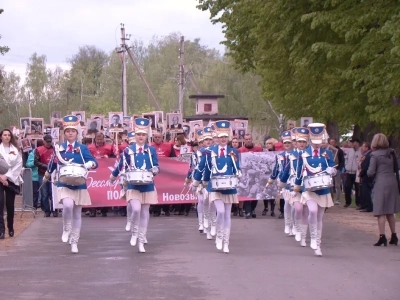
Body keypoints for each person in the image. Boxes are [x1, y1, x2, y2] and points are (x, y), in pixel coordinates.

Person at [46, 115, 98, 253]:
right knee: (68, 205)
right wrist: (47, 173)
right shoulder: (59, 147)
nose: (70, 133)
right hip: (64, 182)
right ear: (64, 133)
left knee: (77, 213)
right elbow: (53, 162)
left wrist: (90, 164)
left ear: (77, 133)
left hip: (79, 182)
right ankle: (66, 227)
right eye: (68, 131)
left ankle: (74, 241)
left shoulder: (82, 148)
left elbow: (94, 162)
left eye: (73, 131)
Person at [110, 118, 160, 253]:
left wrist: (155, 169)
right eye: (138, 134)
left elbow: (156, 164)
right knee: (136, 209)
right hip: (133, 184)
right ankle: (134, 231)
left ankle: (141, 239)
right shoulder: (128, 150)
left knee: (144, 212)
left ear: (146, 136)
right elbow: (121, 164)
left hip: (147, 184)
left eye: (143, 134)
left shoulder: (151, 150)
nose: (141, 137)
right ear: (135, 135)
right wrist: (113, 176)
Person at [192, 121, 241, 253]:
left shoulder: (233, 151)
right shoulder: (210, 151)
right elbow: (202, 167)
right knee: (220, 211)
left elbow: (237, 167)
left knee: (227, 215)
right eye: (221, 136)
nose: (223, 139)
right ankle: (219, 236)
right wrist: (197, 182)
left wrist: (238, 173)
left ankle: (226, 241)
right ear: (216, 138)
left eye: (225, 136)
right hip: (214, 186)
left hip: (229, 186)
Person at [292, 123, 336, 256]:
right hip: (309, 188)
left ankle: (317, 244)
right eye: (314, 142)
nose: (317, 144)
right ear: (310, 140)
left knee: (319, 218)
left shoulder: (327, 153)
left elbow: (334, 168)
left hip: (323, 189)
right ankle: (311, 237)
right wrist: (296, 188)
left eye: (319, 141)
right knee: (312, 210)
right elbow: (299, 172)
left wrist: (332, 170)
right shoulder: (304, 154)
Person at [367, 133, 400, 247]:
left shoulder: (374, 155)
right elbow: (396, 167)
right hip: (392, 181)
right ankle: (394, 235)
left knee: (380, 210)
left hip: (381, 182)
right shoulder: (391, 152)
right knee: (390, 210)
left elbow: (370, 172)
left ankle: (382, 236)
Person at [267, 130, 294, 235]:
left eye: (289, 143)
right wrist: (271, 179)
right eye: (285, 143)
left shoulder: (296, 155)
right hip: (284, 182)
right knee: (287, 203)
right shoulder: (280, 156)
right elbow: (276, 169)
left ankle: (294, 224)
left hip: (294, 182)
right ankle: (287, 224)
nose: (287, 145)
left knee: (295, 205)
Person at [0, 129, 23, 239]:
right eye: (5, 135)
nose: (7, 137)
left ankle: (10, 227)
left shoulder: (15, 150)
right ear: (1, 136)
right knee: (0, 204)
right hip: (0, 178)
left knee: (10, 204)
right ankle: (1, 230)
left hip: (11, 179)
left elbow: (18, 165)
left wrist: (7, 176)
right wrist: (1, 176)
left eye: (9, 135)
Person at [238, 134, 263, 218]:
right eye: (246, 139)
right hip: (245, 175)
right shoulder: (240, 150)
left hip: (256, 175)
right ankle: (248, 211)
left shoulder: (258, 149)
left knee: (255, 193)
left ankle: (252, 209)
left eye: (249, 139)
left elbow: (261, 160)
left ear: (252, 139)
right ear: (244, 140)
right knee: (246, 192)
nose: (248, 140)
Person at [34, 134, 57, 217]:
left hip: (53, 174)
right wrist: (46, 166)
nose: (48, 143)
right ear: (43, 141)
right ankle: (47, 210)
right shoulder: (38, 150)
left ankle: (54, 209)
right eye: (47, 142)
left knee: (53, 193)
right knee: (44, 193)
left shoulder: (55, 149)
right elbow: (36, 162)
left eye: (50, 142)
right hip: (42, 173)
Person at [358, 142, 373, 212]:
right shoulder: (365, 155)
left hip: (366, 176)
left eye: (363, 147)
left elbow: (366, 166)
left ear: (367, 148)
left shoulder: (368, 155)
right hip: (364, 175)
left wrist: (361, 173)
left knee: (366, 191)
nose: (362, 148)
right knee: (363, 191)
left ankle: (369, 207)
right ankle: (364, 205)